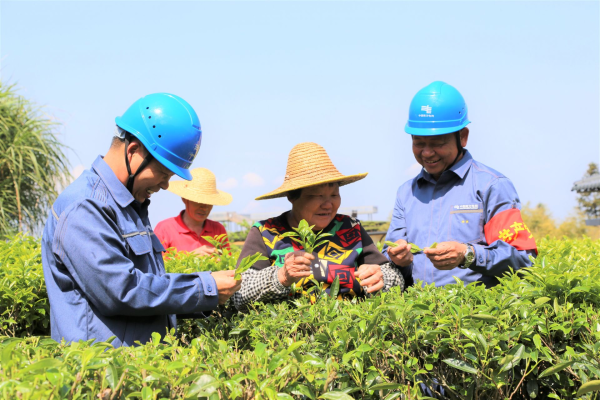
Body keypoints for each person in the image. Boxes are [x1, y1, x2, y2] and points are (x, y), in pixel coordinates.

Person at [41, 93, 241, 347]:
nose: (166, 185)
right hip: (102, 378)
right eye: (163, 172)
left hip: (139, 372)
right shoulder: (86, 206)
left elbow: (150, 293)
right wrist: (204, 288)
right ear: (134, 151)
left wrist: (209, 294)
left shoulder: (130, 206)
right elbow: (121, 291)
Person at [384, 81, 537, 288]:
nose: (427, 152)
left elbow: (524, 259)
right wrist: (396, 257)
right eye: (419, 143)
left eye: (438, 143)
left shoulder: (492, 186)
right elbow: (388, 255)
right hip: (415, 315)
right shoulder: (406, 193)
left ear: (463, 137)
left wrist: (468, 254)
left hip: (474, 316)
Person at [233, 142, 404, 311]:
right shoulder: (265, 233)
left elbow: (393, 277)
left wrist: (382, 279)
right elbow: (239, 294)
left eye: (334, 195)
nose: (328, 204)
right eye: (317, 196)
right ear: (292, 197)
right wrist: (281, 276)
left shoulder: (351, 228)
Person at [155, 168, 232, 256]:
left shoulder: (218, 229)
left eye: (209, 203)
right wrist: (190, 257)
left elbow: (228, 262)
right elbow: (157, 266)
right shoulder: (164, 229)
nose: (204, 208)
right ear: (184, 199)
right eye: (199, 202)